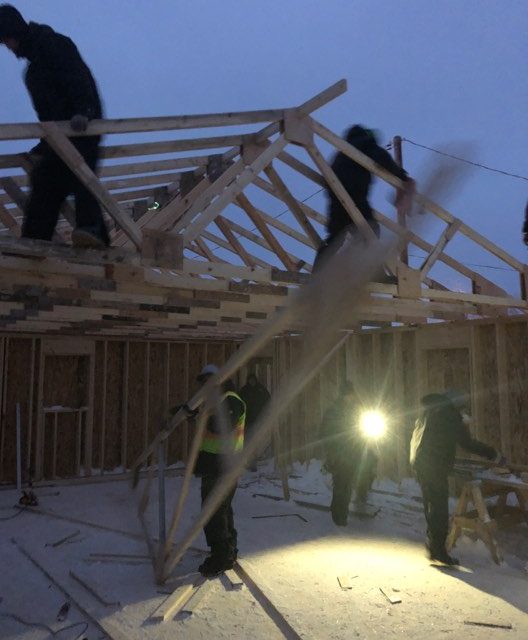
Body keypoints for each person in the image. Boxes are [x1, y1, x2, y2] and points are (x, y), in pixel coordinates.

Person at [0, 4, 110, 248]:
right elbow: (46, 117)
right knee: (44, 179)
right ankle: (34, 240)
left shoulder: (55, 44)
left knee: (80, 171)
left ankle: (92, 231)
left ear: (14, 31)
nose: (7, 46)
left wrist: (84, 112)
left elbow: (79, 79)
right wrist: (45, 143)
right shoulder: (32, 73)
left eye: (6, 40)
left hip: (83, 128)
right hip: (59, 136)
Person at [410, 390, 504, 565]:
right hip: (434, 466)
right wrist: (494, 454)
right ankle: (439, 551)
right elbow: (467, 443)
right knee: (439, 507)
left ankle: (433, 545)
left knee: (431, 505)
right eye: (462, 409)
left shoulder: (430, 410)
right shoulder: (449, 414)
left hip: (420, 463)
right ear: (457, 405)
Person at [315, 125, 415, 270]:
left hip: (336, 198)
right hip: (355, 195)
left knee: (336, 236)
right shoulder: (365, 145)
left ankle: (318, 272)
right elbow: (383, 159)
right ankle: (369, 272)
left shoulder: (341, 153)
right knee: (371, 232)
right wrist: (402, 176)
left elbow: (328, 177)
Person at [191, 364, 246, 577]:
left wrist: (199, 416)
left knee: (213, 512)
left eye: (208, 383)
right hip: (215, 465)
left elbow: (221, 425)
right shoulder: (216, 402)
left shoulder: (231, 400)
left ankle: (220, 557)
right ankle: (228, 551)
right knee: (221, 510)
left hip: (223, 466)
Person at [321, 381, 378, 526]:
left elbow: (361, 432)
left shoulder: (355, 411)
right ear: (344, 394)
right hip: (340, 455)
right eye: (349, 394)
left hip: (353, 454)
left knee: (346, 485)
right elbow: (325, 434)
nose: (351, 397)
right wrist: (332, 453)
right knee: (341, 485)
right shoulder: (334, 411)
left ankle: (342, 513)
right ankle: (338, 515)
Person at [240, 373, 271, 471]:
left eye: (253, 380)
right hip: (247, 421)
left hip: (258, 420)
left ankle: (253, 462)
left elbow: (268, 401)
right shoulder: (244, 390)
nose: (251, 382)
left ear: (255, 380)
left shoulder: (261, 390)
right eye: (250, 380)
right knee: (248, 442)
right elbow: (239, 404)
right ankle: (250, 463)